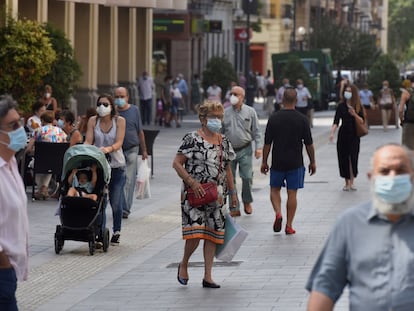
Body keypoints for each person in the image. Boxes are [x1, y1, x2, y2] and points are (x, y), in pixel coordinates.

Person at [306, 143, 414, 310]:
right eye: (384, 172)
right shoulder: (350, 224)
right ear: (371, 178)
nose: (392, 178)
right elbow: (325, 287)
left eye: (400, 171)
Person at [172, 100, 238, 289]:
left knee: (212, 235)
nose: (216, 120)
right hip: (194, 195)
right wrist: (192, 182)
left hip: (217, 195)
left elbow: (227, 169)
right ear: (202, 119)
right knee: (195, 235)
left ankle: (208, 276)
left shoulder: (223, 141)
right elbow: (177, 163)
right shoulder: (192, 138)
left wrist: (233, 193)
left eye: (219, 117)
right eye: (212, 117)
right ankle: (184, 262)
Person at [260, 87, 316, 234]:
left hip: (278, 161)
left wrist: (264, 161)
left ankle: (278, 212)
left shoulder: (274, 118)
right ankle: (289, 225)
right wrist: (313, 161)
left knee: (274, 190)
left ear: (282, 100)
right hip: (295, 162)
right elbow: (309, 144)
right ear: (296, 100)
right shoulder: (302, 119)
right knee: (292, 193)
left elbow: (267, 144)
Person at [84, 94, 126, 245]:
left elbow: (119, 142)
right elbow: (89, 140)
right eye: (100, 104)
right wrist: (85, 149)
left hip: (116, 165)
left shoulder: (119, 121)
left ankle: (117, 230)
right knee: (100, 199)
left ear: (112, 106)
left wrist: (108, 149)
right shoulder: (93, 120)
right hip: (98, 164)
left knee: (115, 200)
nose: (102, 107)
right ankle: (99, 231)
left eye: (106, 104)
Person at [0, 95, 30, 311]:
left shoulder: (10, 165)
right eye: (13, 125)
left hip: (9, 272)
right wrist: (3, 261)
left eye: (20, 122)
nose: (20, 129)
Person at [222, 85, 263, 216]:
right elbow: (220, 132)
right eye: (231, 93)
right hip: (229, 151)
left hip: (245, 149)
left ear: (242, 97)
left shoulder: (250, 112)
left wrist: (259, 147)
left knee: (246, 177)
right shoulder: (225, 112)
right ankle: (234, 206)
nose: (233, 96)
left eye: (236, 94)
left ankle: (247, 201)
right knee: (230, 179)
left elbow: (257, 131)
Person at [114, 87, 148, 219]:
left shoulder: (134, 110)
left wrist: (144, 150)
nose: (119, 99)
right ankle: (120, 205)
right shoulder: (112, 112)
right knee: (119, 180)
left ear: (127, 97)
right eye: (117, 96)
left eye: (122, 96)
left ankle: (125, 209)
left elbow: (140, 130)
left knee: (128, 179)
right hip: (117, 150)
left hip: (132, 148)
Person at [329, 84, 365, 191]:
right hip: (343, 135)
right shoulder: (341, 106)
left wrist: (354, 114)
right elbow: (336, 121)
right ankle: (347, 182)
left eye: (349, 91)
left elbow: (362, 121)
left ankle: (352, 181)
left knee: (353, 158)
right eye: (346, 91)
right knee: (343, 158)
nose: (347, 93)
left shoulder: (358, 106)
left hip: (354, 135)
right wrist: (332, 133)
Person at [26, 111, 67, 200]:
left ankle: (41, 188)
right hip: (57, 163)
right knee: (49, 166)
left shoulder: (38, 131)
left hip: (41, 161)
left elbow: (29, 148)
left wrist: (29, 151)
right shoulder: (60, 131)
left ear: (42, 120)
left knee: (33, 165)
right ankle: (44, 188)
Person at [399, 77, 414, 150]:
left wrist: (401, 120)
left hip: (409, 122)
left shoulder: (406, 92)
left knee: (407, 148)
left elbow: (401, 110)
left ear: (410, 82)